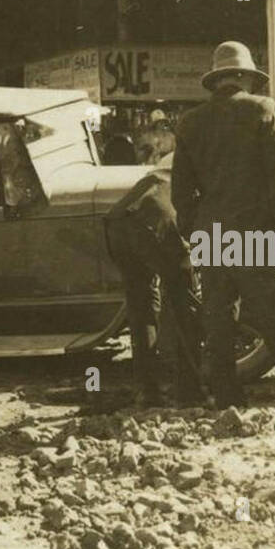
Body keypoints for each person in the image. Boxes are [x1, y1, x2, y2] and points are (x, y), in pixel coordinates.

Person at [173, 41, 275, 412]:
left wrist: (198, 232)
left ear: (217, 80)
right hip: (257, 235)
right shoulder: (261, 109)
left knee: (218, 324)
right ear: (243, 77)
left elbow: (181, 191)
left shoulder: (190, 123)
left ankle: (228, 400)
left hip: (212, 235)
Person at [104, 154, 205, 407]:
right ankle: (189, 392)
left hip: (118, 218)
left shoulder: (174, 154)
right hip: (154, 215)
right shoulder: (210, 150)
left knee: (141, 306)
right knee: (186, 303)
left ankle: (148, 391)